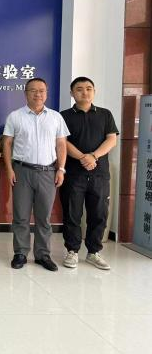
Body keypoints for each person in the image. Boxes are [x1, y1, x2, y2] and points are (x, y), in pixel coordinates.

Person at [2, 77, 69, 272]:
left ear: (46, 93)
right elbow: (7, 143)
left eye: (41, 90)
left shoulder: (56, 117)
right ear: (25, 93)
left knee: (44, 217)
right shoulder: (15, 116)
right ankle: (20, 253)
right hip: (22, 171)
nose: (37, 94)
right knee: (21, 216)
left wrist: (61, 169)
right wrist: (9, 169)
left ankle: (43, 255)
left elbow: (61, 144)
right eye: (33, 90)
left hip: (48, 172)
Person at [60, 77, 118, 270]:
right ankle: (72, 251)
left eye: (88, 88)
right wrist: (82, 158)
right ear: (71, 93)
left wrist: (93, 156)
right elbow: (62, 142)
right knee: (72, 213)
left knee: (99, 214)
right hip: (73, 174)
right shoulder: (63, 116)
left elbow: (111, 140)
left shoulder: (105, 114)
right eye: (79, 89)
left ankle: (94, 252)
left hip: (99, 174)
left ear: (94, 91)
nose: (84, 92)